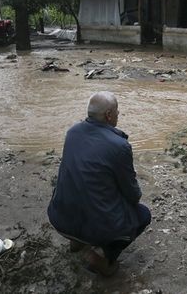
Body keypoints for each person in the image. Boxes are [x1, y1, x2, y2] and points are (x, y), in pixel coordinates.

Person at [47, 91, 151, 276]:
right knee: (142, 215)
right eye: (117, 110)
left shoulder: (72, 132)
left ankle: (76, 242)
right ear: (109, 115)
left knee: (85, 188)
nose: (119, 114)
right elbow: (133, 194)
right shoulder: (119, 146)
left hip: (59, 217)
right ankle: (102, 257)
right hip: (94, 227)